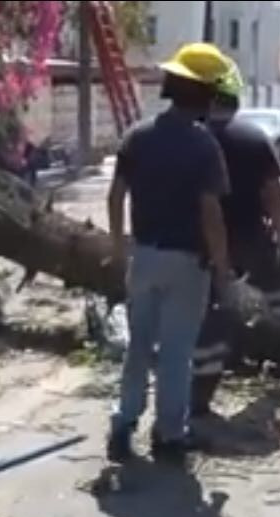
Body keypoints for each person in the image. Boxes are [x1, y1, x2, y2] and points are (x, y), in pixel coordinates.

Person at [106, 43, 232, 463]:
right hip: (186, 263)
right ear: (206, 94)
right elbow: (210, 213)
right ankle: (169, 434)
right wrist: (223, 268)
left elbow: (116, 193)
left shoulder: (138, 136)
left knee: (138, 346)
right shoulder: (204, 147)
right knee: (177, 352)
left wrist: (116, 244)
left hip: (144, 256)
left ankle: (124, 424)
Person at [190, 62, 280, 417]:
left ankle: (200, 400)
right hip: (252, 239)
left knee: (214, 317)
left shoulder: (195, 138)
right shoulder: (252, 138)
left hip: (206, 243)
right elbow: (272, 192)